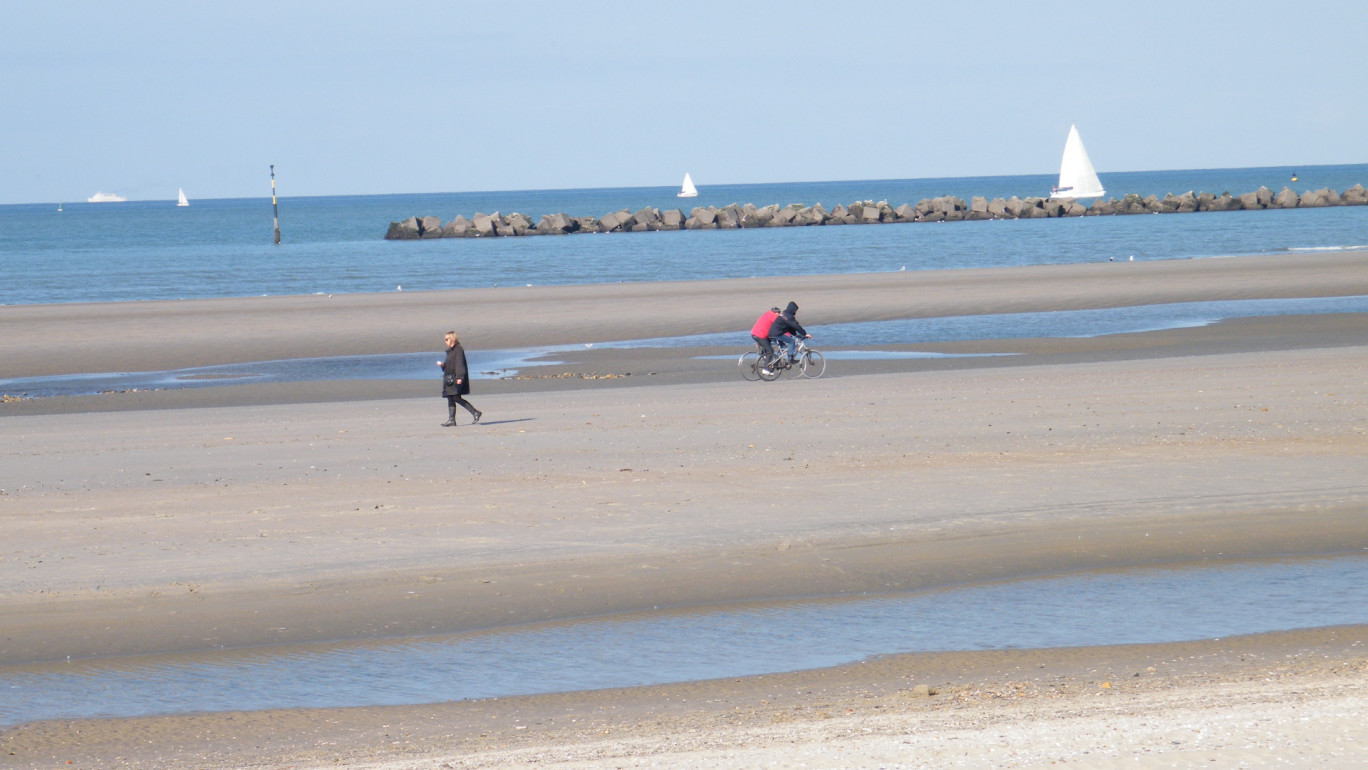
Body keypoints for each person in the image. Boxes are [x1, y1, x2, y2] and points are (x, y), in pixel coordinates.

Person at [436, 330, 481, 427]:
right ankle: (451, 420)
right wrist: (443, 365)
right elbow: (449, 366)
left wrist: (460, 377)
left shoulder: (458, 350)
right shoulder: (451, 351)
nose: (445, 341)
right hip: (449, 378)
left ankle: (475, 412)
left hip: (455, 378)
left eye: (447, 339)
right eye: (445, 339)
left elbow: (460, 365)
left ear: (452, 339)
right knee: (450, 397)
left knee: (456, 397)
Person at [750, 307, 782, 374]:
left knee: (768, 341)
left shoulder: (767, 314)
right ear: (776, 313)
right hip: (760, 335)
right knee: (770, 351)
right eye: (779, 313)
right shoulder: (774, 317)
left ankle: (763, 355)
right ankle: (766, 369)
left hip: (754, 334)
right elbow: (779, 327)